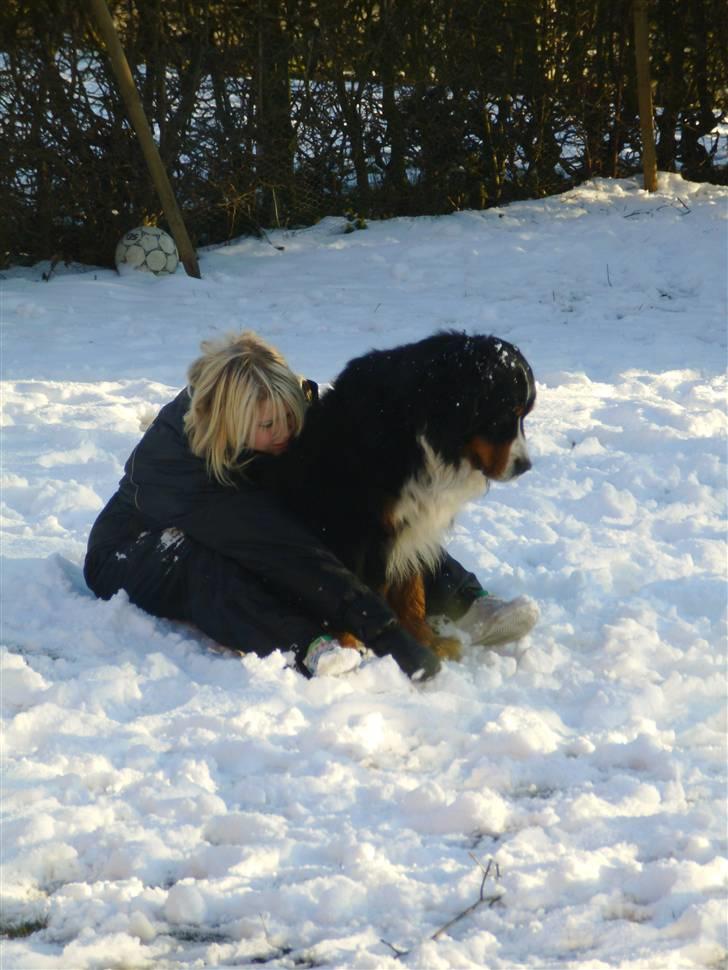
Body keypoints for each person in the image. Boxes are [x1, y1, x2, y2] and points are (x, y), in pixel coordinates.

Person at [84, 332, 537, 680]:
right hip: (135, 550)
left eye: (288, 416)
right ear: (230, 425)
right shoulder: (176, 467)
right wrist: (383, 630)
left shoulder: (284, 413)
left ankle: (463, 601)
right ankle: (308, 643)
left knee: (374, 514)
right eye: (267, 425)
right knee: (208, 562)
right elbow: (282, 548)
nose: (284, 431)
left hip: (249, 524)